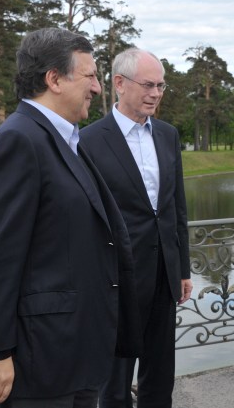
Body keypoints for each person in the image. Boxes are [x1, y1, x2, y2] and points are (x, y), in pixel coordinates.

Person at [0, 27, 141, 407]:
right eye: (91, 76)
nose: (97, 88)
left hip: (74, 352)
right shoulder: (18, 141)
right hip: (39, 362)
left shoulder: (64, 139)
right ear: (54, 79)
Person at [80, 47, 192, 408]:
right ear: (119, 84)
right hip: (117, 277)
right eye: (148, 85)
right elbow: (87, 216)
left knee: (160, 375)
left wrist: (183, 268)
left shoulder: (168, 135)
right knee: (114, 381)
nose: (156, 93)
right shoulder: (89, 141)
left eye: (161, 85)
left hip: (164, 275)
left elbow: (176, 208)